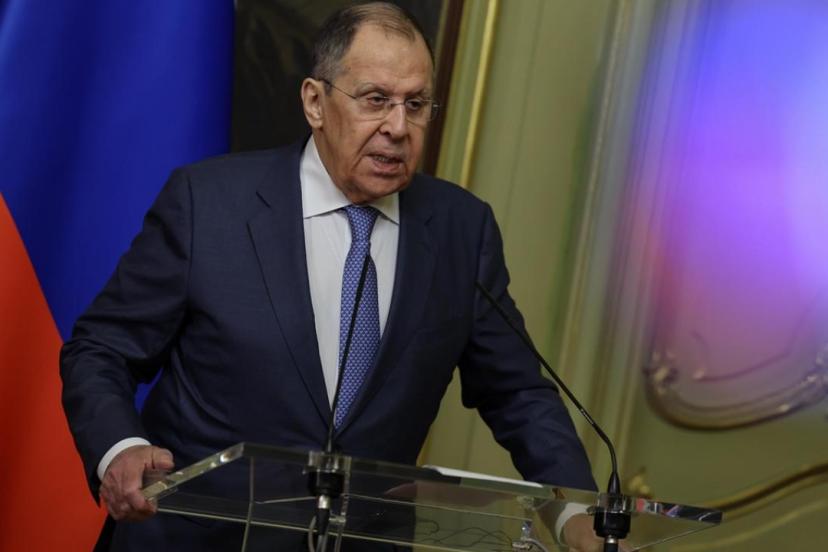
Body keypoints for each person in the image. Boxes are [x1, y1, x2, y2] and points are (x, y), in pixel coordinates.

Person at [61, 3, 603, 550]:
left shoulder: (462, 229)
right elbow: (102, 349)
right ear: (315, 103)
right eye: (376, 100)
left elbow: (517, 394)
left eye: (416, 104)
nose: (398, 127)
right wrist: (120, 448)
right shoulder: (209, 203)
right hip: (194, 538)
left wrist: (576, 512)